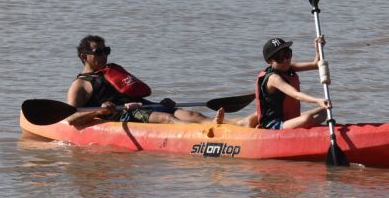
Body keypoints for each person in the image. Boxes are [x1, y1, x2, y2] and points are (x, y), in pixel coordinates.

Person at [67, 35, 226, 126]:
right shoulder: (79, 85)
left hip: (141, 106)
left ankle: (219, 126)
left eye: (106, 51)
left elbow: (133, 93)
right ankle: (202, 136)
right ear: (84, 57)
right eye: (98, 52)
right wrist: (100, 111)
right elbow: (71, 119)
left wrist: (161, 103)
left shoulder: (114, 70)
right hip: (122, 114)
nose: (104, 55)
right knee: (167, 119)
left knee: (191, 114)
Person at [255, 36, 331, 130]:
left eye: (287, 54)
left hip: (289, 118)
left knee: (325, 112)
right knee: (307, 119)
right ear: (269, 61)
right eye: (279, 58)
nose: (285, 60)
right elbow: (296, 95)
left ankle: (298, 123)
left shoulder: (289, 66)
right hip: (273, 124)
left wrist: (318, 48)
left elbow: (316, 65)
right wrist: (317, 100)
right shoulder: (273, 78)